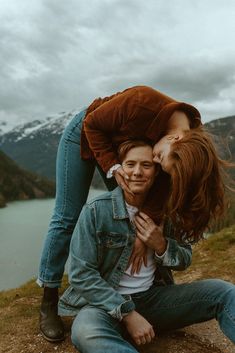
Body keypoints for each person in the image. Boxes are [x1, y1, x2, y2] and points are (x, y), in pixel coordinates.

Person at [37, 85, 230, 341]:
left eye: (159, 162)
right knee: (66, 216)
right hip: (86, 132)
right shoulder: (141, 101)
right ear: (174, 139)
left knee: (132, 207)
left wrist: (144, 237)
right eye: (160, 157)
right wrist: (113, 166)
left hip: (125, 149)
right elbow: (93, 125)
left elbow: (160, 188)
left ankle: (146, 289)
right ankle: (48, 300)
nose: (159, 162)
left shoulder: (185, 142)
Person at [58, 140, 235, 353]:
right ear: (120, 169)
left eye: (146, 165)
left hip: (154, 300)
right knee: (85, 331)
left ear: (157, 172)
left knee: (224, 292)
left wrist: (161, 245)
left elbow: (185, 259)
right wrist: (129, 314)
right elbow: (81, 275)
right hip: (105, 306)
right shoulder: (96, 211)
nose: (137, 172)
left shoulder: (168, 211)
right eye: (130, 164)